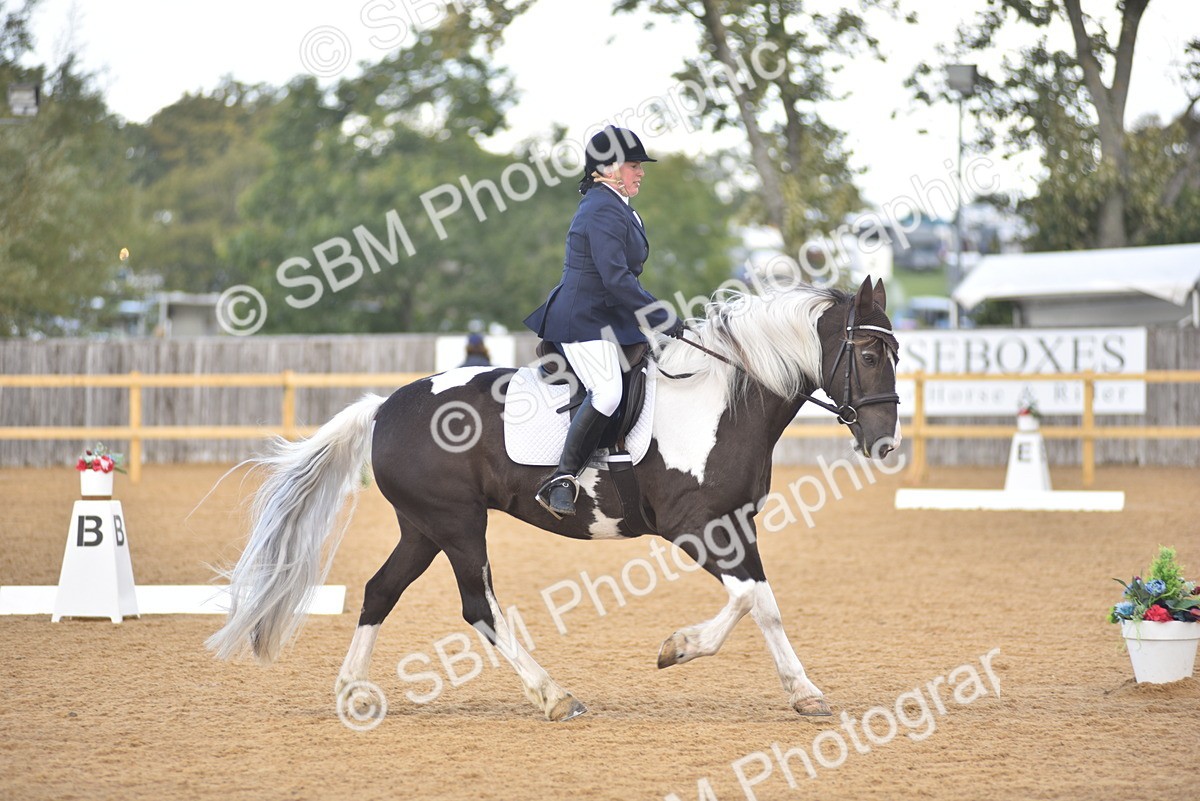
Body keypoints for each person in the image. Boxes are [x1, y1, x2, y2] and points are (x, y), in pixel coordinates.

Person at [523, 126, 684, 518]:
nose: (640, 172)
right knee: (608, 392)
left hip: (609, 317)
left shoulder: (620, 206)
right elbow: (616, 278)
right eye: (633, 165)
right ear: (609, 167)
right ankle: (562, 477)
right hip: (583, 318)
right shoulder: (599, 208)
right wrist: (660, 315)